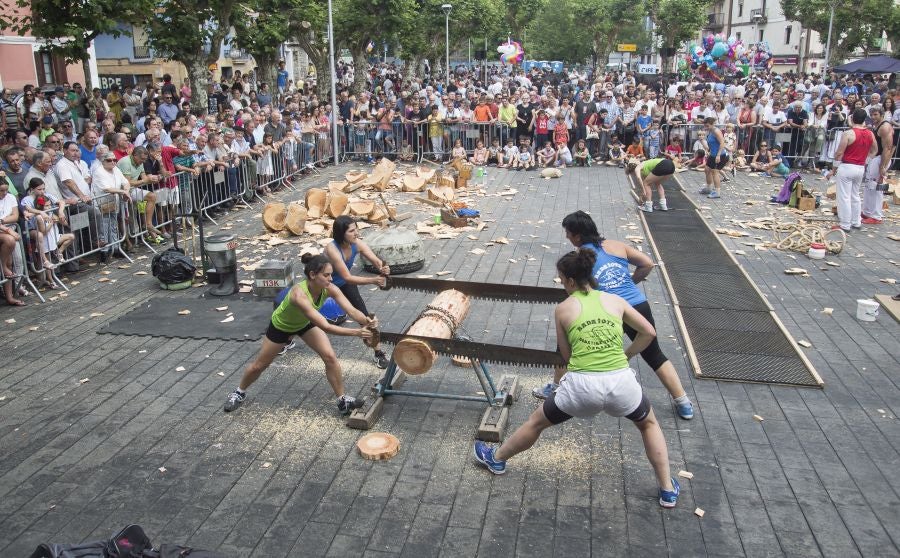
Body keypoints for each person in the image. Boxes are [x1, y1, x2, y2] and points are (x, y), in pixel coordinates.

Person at [473, 249, 681, 509]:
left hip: (583, 387)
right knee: (649, 424)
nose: (561, 284)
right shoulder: (614, 300)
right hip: (621, 383)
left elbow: (566, 355)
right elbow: (648, 332)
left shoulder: (563, 309)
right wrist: (625, 355)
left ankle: (496, 459)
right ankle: (667, 489)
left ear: (571, 281)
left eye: (561, 279)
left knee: (537, 422)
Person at [223, 253, 377, 414]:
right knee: (259, 366)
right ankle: (239, 392)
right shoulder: (299, 295)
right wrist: (357, 332)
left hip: (304, 323)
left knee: (330, 357)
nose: (331, 279)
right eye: (326, 275)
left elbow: (352, 310)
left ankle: (342, 401)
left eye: (331, 274)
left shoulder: (329, 288)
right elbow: (326, 326)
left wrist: (367, 321)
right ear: (312, 275)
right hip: (282, 327)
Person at [324, 216, 391, 368]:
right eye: (352, 231)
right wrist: (373, 280)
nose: (356, 233)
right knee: (304, 312)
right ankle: (285, 338)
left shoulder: (357, 243)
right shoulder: (332, 249)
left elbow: (375, 260)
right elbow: (347, 277)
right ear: (341, 234)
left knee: (365, 318)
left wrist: (383, 267)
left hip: (343, 283)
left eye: (357, 229)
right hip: (324, 284)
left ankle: (378, 353)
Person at [827, 108, 876, 232]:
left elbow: (839, 153)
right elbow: (874, 150)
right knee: (855, 195)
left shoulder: (848, 133)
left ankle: (845, 224)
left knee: (844, 196)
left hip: (847, 166)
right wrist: (866, 162)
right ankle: (856, 221)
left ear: (853, 118)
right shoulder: (870, 133)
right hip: (860, 167)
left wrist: (833, 169)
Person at [862, 106, 892, 225]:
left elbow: (888, 148)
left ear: (881, 114)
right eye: (872, 115)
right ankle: (867, 211)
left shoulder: (885, 127)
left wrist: (882, 166)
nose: (873, 117)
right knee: (869, 185)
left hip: (881, 159)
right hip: (876, 158)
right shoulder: (877, 125)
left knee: (877, 186)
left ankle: (876, 215)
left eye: (876, 115)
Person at [699, 117, 728, 199]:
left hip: (720, 155)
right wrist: (702, 141)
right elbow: (708, 148)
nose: (706, 128)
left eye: (707, 126)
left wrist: (718, 155)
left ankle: (717, 192)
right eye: (705, 126)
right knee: (707, 169)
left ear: (712, 124)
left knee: (715, 172)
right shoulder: (710, 132)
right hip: (712, 155)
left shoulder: (716, 131)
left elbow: (722, 143)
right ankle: (708, 188)